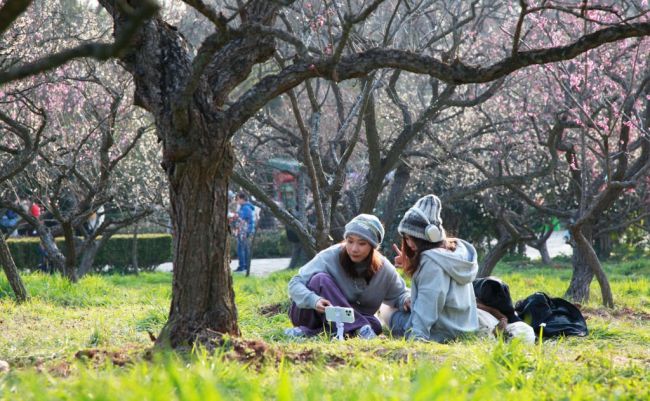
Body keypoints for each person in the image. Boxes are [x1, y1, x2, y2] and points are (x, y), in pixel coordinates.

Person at [286, 214, 410, 339]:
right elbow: (295, 283)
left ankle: (310, 334)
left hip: (341, 322)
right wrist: (313, 300)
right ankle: (358, 329)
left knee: (375, 324)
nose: (354, 249)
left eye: (362, 243)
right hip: (310, 315)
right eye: (350, 241)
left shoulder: (384, 269)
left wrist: (406, 299)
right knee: (320, 280)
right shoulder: (330, 256)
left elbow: (400, 295)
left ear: (373, 246)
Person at [379, 194, 479, 342]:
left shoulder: (430, 262)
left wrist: (416, 337)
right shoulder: (455, 253)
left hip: (440, 334)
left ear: (429, 236)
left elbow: (430, 301)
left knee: (385, 309)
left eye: (413, 237)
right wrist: (413, 267)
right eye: (406, 238)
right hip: (464, 331)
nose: (409, 243)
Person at [233, 192, 256, 273]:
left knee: (241, 248)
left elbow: (241, 219)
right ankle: (246, 265)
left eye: (238, 199)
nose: (237, 201)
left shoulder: (245, 208)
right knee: (245, 248)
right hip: (246, 230)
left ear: (242, 199)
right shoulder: (246, 207)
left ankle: (242, 266)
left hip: (244, 231)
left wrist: (234, 217)